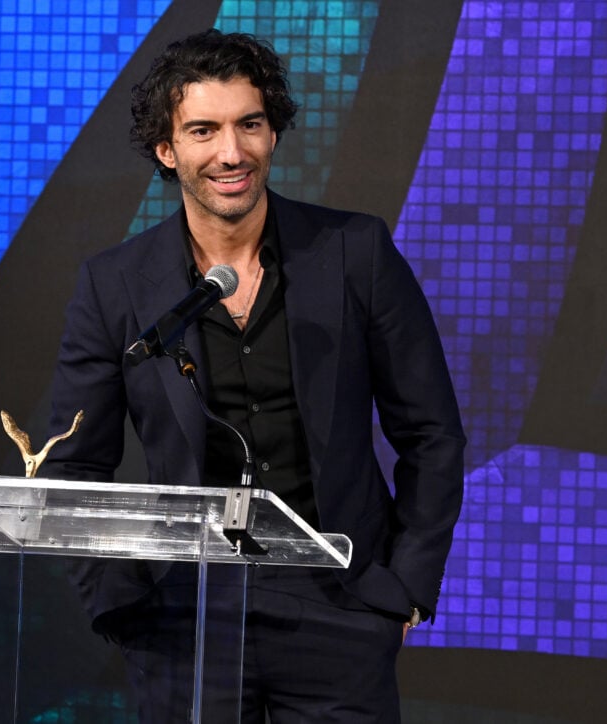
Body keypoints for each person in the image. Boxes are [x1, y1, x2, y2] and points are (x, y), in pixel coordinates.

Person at [40, 29, 465, 723]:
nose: (231, 152)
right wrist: (121, 603)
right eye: (203, 130)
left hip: (340, 606)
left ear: (273, 134)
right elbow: (73, 464)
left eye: (250, 125)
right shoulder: (114, 285)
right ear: (166, 149)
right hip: (183, 619)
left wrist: (404, 589)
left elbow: (432, 432)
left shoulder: (356, 252)